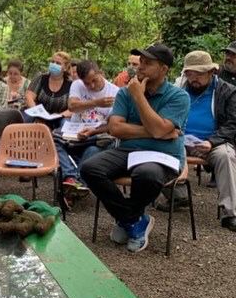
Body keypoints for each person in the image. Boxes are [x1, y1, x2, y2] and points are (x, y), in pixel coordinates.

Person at [81, 44, 190, 253]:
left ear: (164, 69)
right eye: (140, 62)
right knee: (90, 168)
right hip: (127, 151)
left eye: (148, 63)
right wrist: (157, 130)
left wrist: (139, 97)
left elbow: (159, 130)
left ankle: (126, 221)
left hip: (164, 155)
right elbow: (115, 128)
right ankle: (134, 221)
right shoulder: (125, 92)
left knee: (146, 173)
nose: (140, 67)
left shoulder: (178, 97)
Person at [158, 51, 236, 231]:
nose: (193, 78)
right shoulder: (176, 90)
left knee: (227, 155)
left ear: (211, 72)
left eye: (199, 74)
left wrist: (211, 141)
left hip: (212, 142)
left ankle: (230, 213)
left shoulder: (227, 91)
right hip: (178, 139)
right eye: (189, 73)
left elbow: (233, 124)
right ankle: (176, 195)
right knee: (157, 149)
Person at [55, 60, 119, 204]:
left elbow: (112, 126)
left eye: (94, 81)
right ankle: (72, 178)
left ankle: (73, 187)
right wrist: (96, 102)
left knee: (93, 149)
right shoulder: (77, 84)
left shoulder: (115, 92)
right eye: (87, 83)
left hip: (98, 135)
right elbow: (72, 107)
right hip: (75, 133)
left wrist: (92, 132)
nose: (91, 86)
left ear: (100, 73)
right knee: (54, 137)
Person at [25, 51, 73, 128]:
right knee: (27, 118)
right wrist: (37, 113)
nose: (54, 64)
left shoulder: (71, 85)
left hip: (60, 118)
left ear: (65, 68)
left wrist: (59, 116)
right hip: (38, 115)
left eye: (58, 63)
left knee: (65, 124)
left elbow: (72, 109)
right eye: (52, 62)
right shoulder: (40, 78)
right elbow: (29, 97)